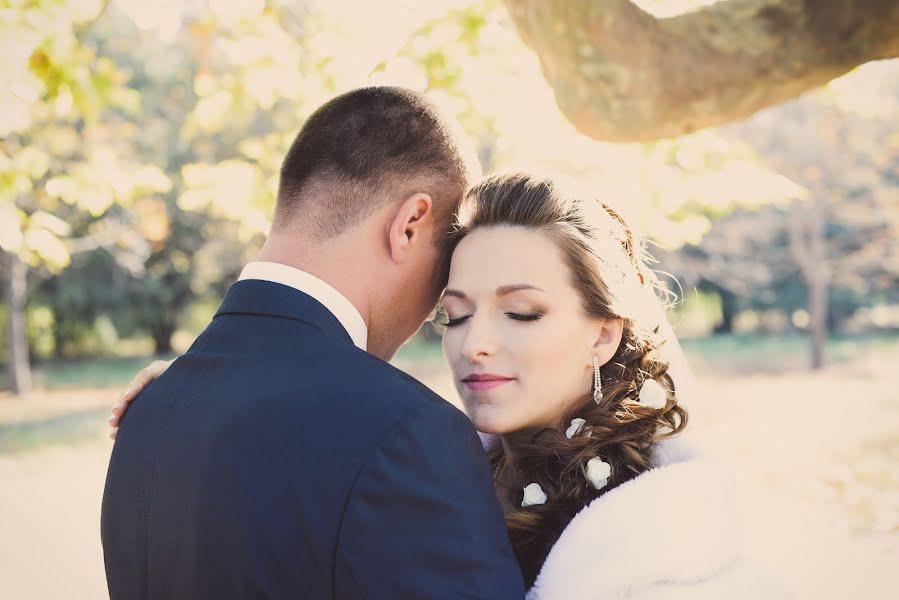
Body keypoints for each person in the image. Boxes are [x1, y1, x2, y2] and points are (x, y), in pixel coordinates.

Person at [114, 173, 787, 598]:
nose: (474, 342)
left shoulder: (672, 552)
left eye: (521, 311)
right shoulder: (425, 462)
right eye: (454, 314)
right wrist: (213, 389)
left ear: (603, 332)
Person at [100, 87, 526, 599]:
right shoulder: (406, 433)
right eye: (446, 265)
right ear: (409, 225)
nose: (436, 301)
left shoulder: (148, 409)